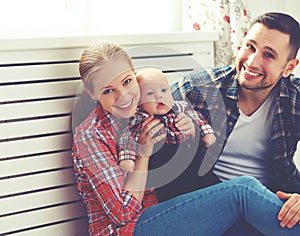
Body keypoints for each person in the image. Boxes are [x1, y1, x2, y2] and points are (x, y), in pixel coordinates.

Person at [72, 40, 300, 235]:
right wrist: (142, 155)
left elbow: (179, 171)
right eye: (107, 90)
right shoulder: (91, 136)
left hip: (170, 214)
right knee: (242, 191)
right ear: (92, 93)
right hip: (130, 229)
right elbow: (123, 214)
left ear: (135, 75)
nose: (124, 96)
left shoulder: (147, 111)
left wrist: (190, 132)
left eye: (127, 82)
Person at [171, 12, 300, 234]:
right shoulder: (197, 90)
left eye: (269, 55)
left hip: (267, 202)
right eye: (250, 46)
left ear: (289, 67)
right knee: (242, 193)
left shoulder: (295, 99)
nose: (252, 61)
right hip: (208, 200)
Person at [118, 67, 216, 173]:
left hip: (190, 165)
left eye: (164, 90)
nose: (159, 96)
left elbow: (198, 117)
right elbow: (127, 137)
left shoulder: (180, 108)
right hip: (160, 169)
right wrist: (127, 157)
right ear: (138, 100)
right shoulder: (139, 119)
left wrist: (206, 133)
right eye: (150, 93)